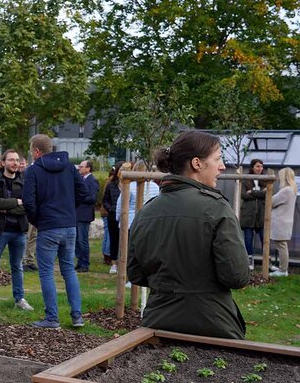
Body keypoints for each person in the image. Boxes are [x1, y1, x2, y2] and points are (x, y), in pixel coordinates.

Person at [128, 130, 251, 339]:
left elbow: (136, 273)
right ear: (197, 163)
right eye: (218, 159)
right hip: (213, 325)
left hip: (156, 324)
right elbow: (236, 276)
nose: (222, 166)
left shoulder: (145, 212)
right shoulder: (216, 208)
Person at [22, 134, 92, 328]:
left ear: (37, 151)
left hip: (48, 226)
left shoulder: (34, 170)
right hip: (69, 226)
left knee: (46, 272)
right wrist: (69, 211)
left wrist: (37, 220)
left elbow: (28, 201)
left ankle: (52, 318)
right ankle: (77, 316)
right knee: (69, 270)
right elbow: (83, 193)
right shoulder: (70, 168)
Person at [0, 149, 32, 313]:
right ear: (3, 163)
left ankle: (19, 299)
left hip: (19, 231)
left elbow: (27, 206)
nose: (15, 163)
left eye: (17, 160)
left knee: (17, 266)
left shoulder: (25, 181)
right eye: (11, 160)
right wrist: (16, 202)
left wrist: (7, 207)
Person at [269, 167, 296, 277]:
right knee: (281, 245)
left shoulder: (286, 190)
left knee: (281, 246)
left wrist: (267, 193)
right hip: (284, 222)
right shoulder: (291, 189)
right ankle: (282, 267)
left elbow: (271, 201)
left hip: (281, 222)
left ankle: (283, 270)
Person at [240, 159, 266, 269]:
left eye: (261, 166)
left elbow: (267, 194)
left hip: (261, 215)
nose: (260, 169)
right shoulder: (245, 179)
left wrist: (253, 192)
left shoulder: (265, 180)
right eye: (257, 166)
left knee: (264, 238)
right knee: (248, 238)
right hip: (248, 214)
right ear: (252, 167)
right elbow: (244, 195)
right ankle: (249, 260)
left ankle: (266, 260)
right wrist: (260, 193)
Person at [75, 160, 99, 273]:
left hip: (84, 215)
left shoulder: (92, 181)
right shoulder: (81, 179)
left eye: (81, 166)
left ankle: (85, 263)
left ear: (88, 168)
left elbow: (92, 198)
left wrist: (79, 198)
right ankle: (80, 262)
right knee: (76, 240)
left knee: (82, 240)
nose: (79, 168)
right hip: (77, 214)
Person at [102, 162, 125, 274]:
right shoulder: (111, 185)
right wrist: (110, 209)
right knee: (113, 240)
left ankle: (124, 263)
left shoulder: (131, 185)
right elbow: (105, 200)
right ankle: (114, 263)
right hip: (113, 216)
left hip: (127, 217)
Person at [100, 165, 116, 266]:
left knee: (106, 234)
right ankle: (108, 254)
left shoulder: (107, 181)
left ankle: (106, 254)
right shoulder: (111, 182)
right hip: (108, 211)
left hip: (104, 211)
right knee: (109, 234)